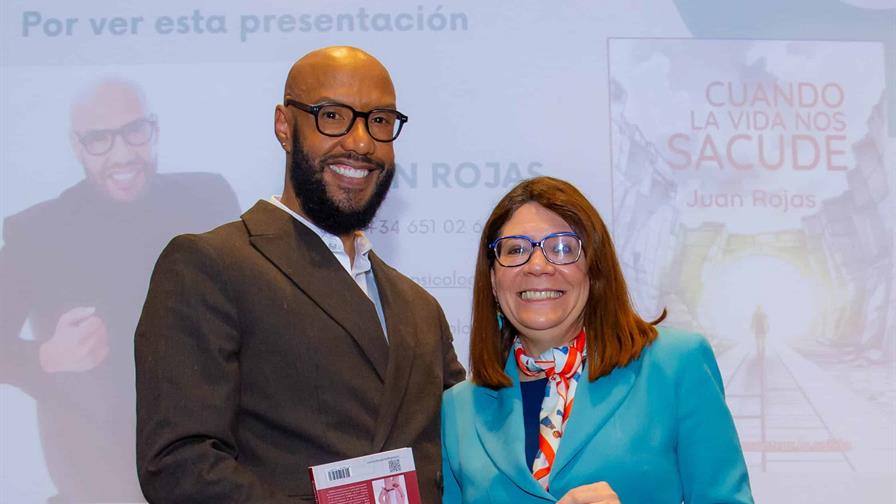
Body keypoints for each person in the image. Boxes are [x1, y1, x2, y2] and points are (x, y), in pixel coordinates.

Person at [135, 46, 466, 503]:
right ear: (284, 126)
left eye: (380, 121)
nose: (361, 142)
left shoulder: (419, 308)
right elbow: (180, 466)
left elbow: (469, 457)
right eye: (333, 116)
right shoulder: (210, 265)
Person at [441, 177, 753, 503]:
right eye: (516, 249)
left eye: (562, 248)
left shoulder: (676, 364)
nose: (537, 266)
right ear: (493, 279)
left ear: (594, 268)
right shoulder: (458, 411)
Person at [0, 78, 240, 503]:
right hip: (97, 483)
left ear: (155, 130)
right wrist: (44, 356)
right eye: (99, 140)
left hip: (213, 472)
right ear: (77, 147)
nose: (123, 153)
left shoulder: (208, 198)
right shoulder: (35, 232)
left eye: (134, 131)